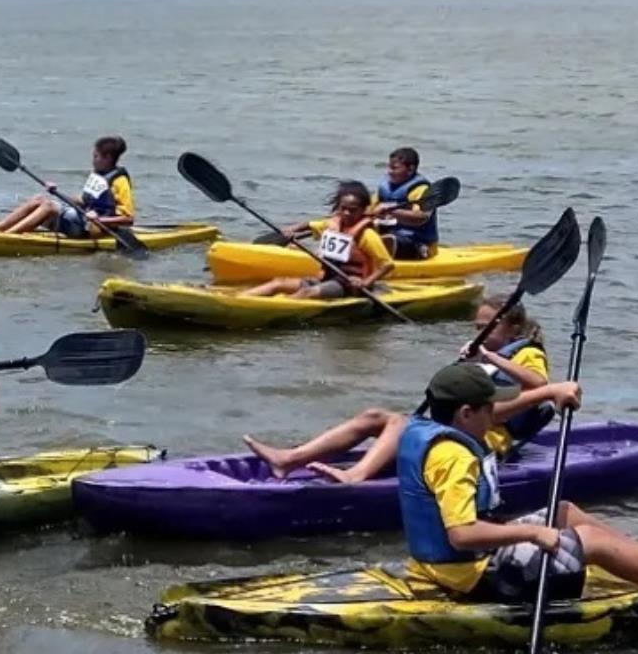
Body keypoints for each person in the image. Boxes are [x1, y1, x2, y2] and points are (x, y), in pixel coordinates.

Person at [397, 361, 638, 602]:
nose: (496, 416)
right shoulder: (454, 457)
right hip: (474, 580)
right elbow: (463, 534)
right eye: (489, 409)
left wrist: (551, 393)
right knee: (590, 540)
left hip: (453, 565)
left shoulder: (429, 428)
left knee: (564, 512)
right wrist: (532, 533)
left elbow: (490, 415)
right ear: (466, 413)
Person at [244, 295, 578, 484]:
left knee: (398, 424)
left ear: (513, 328)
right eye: (475, 327)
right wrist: (466, 366)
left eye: (486, 328)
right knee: (376, 416)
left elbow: (539, 386)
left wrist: (487, 357)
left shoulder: (527, 353)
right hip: (457, 428)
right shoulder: (488, 357)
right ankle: (289, 459)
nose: (479, 333)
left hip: (484, 445)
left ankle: (356, 477)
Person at [237, 181, 395, 299]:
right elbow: (310, 225)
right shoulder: (333, 224)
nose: (346, 213)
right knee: (279, 283)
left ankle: (275, 309)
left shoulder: (367, 235)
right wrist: (292, 229)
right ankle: (238, 299)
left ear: (363, 210)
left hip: (349, 285)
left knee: (306, 292)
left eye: (352, 210)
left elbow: (387, 264)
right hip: (326, 278)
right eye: (343, 208)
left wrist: (366, 282)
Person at [0, 136, 134, 238]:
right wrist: (56, 191)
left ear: (107, 158)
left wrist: (100, 219)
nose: (93, 160)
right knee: (39, 199)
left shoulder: (120, 182)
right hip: (82, 219)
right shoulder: (98, 175)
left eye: (96, 156)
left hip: (92, 229)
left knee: (49, 206)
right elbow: (83, 201)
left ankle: (6, 237)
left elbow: (128, 219)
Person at [369, 146, 441, 258]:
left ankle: (380, 250)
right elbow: (369, 209)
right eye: (389, 167)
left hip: (418, 242)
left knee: (391, 240)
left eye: (394, 168)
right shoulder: (385, 187)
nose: (389, 172)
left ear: (410, 169)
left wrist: (391, 211)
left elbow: (421, 217)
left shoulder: (422, 190)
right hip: (391, 234)